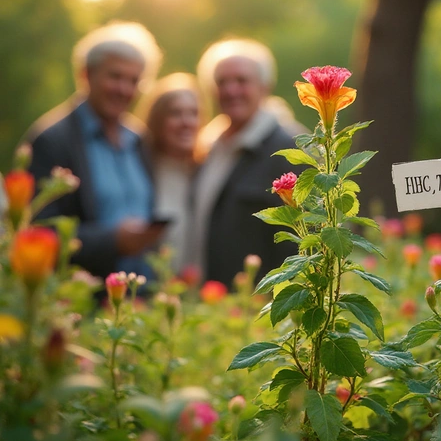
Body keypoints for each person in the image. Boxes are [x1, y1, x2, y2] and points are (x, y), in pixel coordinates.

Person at [27, 21, 165, 281]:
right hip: (81, 299)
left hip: (141, 296)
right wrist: (112, 241)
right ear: (86, 74)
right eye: (115, 76)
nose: (124, 89)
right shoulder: (52, 140)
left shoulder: (139, 139)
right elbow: (38, 232)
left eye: (134, 80)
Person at [191, 38, 297, 288]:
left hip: (258, 304)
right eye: (222, 82)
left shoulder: (288, 150)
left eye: (241, 81)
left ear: (265, 86)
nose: (230, 91)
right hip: (216, 301)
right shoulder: (209, 146)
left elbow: (302, 240)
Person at [135, 73, 204, 273]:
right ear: (157, 120)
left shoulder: (206, 168)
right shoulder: (141, 168)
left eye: (193, 113)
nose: (186, 122)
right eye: (175, 113)